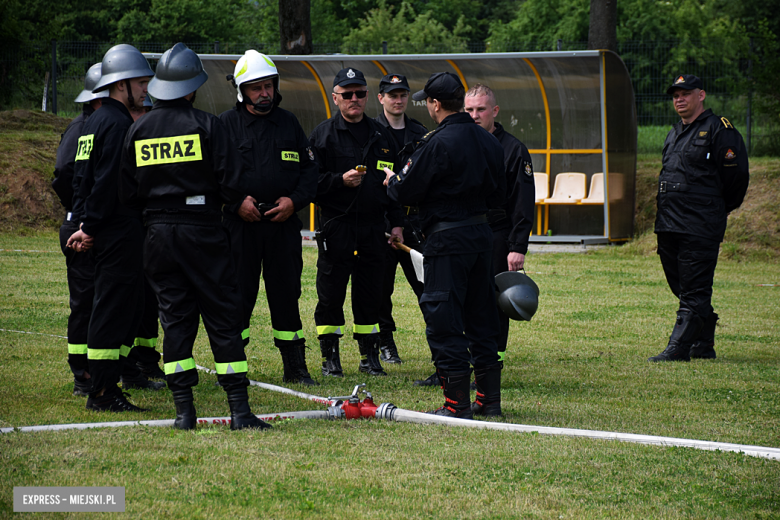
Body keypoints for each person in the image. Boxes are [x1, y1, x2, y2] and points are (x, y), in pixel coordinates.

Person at [119, 43, 271, 431]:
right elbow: (233, 182)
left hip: (156, 236)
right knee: (222, 315)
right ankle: (239, 411)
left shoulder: (138, 129)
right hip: (202, 231)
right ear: (192, 88)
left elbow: (126, 191)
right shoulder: (209, 125)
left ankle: (184, 413)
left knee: (175, 320)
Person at [385, 72, 506, 418]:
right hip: (481, 238)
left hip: (446, 239)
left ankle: (456, 404)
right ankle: (489, 401)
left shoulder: (437, 143)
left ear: (435, 104)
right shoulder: (489, 141)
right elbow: (499, 195)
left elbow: (405, 190)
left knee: (445, 318)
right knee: (482, 317)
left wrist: (392, 181)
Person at [66, 44, 161, 412]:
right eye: (141, 82)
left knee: (106, 307)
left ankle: (104, 386)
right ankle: (104, 392)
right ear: (121, 84)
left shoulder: (93, 122)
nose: (146, 89)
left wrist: (82, 219)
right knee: (112, 311)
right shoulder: (119, 123)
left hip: (100, 226)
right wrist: (92, 226)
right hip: (117, 231)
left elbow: (80, 179)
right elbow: (109, 182)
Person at [219, 50, 318, 386]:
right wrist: (234, 204)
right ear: (242, 90)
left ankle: (295, 367)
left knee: (286, 295)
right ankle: (233, 367)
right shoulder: (224, 125)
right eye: (256, 88)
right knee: (237, 296)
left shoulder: (289, 123)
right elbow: (210, 175)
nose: (264, 93)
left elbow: (310, 171)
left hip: (282, 227)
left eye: (269, 86)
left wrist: (294, 202)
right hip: (239, 229)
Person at [309, 67, 404, 377]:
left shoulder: (382, 135)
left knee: (371, 294)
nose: (354, 99)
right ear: (335, 98)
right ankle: (330, 358)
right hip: (337, 225)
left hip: (374, 227)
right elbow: (308, 184)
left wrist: (397, 222)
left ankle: (369, 357)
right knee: (331, 293)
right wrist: (340, 181)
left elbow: (396, 184)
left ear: (367, 96)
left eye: (360, 93)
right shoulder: (322, 135)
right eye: (347, 94)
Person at [649, 74, 749, 362]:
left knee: (695, 286)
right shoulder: (674, 132)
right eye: (675, 95)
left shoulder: (720, 130)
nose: (679, 99)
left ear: (701, 95)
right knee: (679, 283)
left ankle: (679, 348)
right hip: (669, 222)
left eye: (685, 94)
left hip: (700, 223)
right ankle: (703, 342)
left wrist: (715, 208)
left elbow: (737, 177)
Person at [465, 84, 535, 407]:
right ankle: (460, 366)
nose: (474, 115)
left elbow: (523, 203)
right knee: (463, 300)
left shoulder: (513, 149)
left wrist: (517, 246)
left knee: (496, 306)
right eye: (469, 110)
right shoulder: (462, 142)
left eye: (480, 109)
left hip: (497, 235)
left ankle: (491, 368)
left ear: (495, 111)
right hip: (466, 233)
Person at [51, 62, 107, 396]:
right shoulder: (81, 128)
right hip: (80, 225)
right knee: (84, 302)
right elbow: (63, 173)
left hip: (93, 223)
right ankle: (81, 374)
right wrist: (81, 209)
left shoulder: (99, 125)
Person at [373, 73, 427, 365]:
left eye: (402, 94)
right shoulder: (371, 132)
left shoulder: (420, 134)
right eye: (392, 95)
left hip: (413, 223)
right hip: (382, 224)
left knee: (426, 284)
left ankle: (439, 341)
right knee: (382, 289)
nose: (398, 100)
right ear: (381, 98)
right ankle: (386, 342)